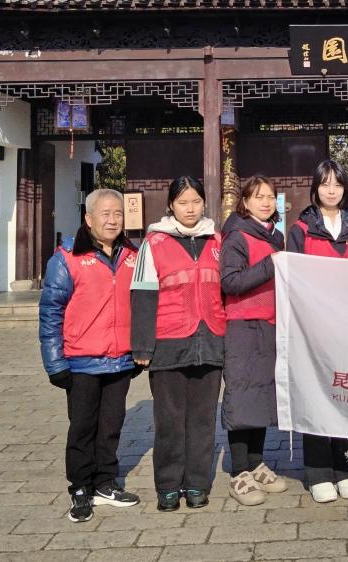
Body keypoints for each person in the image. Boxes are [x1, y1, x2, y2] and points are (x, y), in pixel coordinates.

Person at [39, 188, 141, 523]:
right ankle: (81, 488)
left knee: (111, 426)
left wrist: (139, 348)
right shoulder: (67, 257)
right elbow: (51, 312)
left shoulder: (132, 254)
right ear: (88, 218)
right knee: (82, 428)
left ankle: (106, 483)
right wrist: (55, 363)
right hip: (81, 361)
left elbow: (142, 305)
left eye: (118, 214)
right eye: (105, 214)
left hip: (120, 359)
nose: (112, 220)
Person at [130, 176, 225, 512]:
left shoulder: (217, 240)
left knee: (203, 419)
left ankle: (197, 483)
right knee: (169, 421)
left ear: (204, 203)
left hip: (210, 340)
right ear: (171, 205)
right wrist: (142, 347)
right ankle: (168, 486)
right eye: (183, 202)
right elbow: (142, 295)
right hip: (169, 342)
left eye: (196, 201)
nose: (190, 208)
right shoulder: (154, 243)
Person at [288, 159, 348, 504]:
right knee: (316, 393)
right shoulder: (301, 229)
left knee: (346, 393)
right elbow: (292, 277)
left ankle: (345, 468)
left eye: (337, 184)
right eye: (325, 184)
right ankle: (318, 471)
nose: (331, 190)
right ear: (315, 188)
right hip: (313, 327)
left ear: (345, 188)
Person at [219, 175, 289, 506]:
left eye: (270, 197)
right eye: (258, 196)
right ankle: (239, 471)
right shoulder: (237, 235)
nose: (265, 202)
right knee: (241, 396)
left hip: (270, 324)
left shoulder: (276, 236)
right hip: (242, 325)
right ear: (245, 202)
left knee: (261, 395)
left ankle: (256, 463)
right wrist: (269, 265)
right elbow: (231, 282)